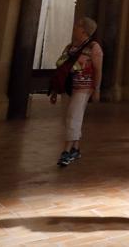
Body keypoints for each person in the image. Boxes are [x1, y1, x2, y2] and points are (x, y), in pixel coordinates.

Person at [50, 17, 102, 167]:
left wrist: (97, 89)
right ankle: (75, 148)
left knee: (73, 116)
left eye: (77, 26)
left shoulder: (94, 48)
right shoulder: (69, 47)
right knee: (71, 116)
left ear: (84, 30)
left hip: (83, 87)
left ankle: (66, 151)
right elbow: (61, 69)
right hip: (67, 86)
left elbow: (98, 70)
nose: (74, 28)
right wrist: (55, 90)